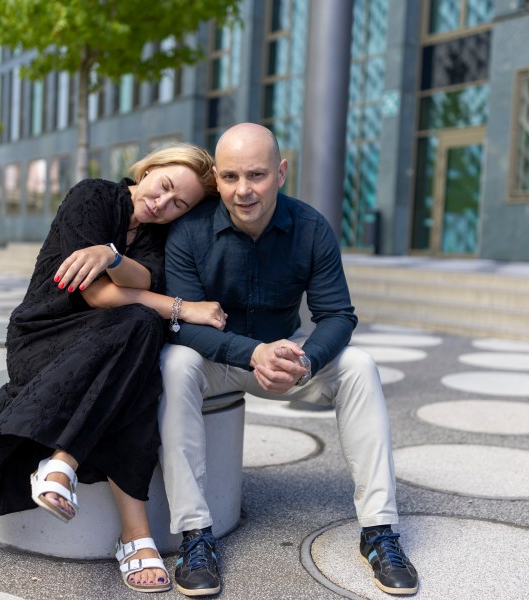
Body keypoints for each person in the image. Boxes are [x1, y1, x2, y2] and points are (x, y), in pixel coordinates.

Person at [0, 143, 228, 594]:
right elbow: (99, 296)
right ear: (150, 169)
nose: (162, 203)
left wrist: (113, 257)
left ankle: (61, 464)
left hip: (111, 342)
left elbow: (140, 282)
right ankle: (135, 534)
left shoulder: (158, 237)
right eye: (165, 186)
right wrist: (184, 308)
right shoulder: (94, 197)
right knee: (138, 345)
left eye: (179, 204)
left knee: (140, 339)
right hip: (46, 336)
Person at [158, 123, 419, 597]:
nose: (243, 190)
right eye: (232, 177)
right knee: (174, 365)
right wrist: (251, 352)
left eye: (256, 175)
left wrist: (307, 360)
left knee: (359, 366)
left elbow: (338, 314)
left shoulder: (311, 227)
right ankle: (195, 536)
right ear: (216, 178)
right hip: (220, 358)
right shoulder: (188, 233)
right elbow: (185, 324)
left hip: (287, 353)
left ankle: (379, 533)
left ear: (281, 172)